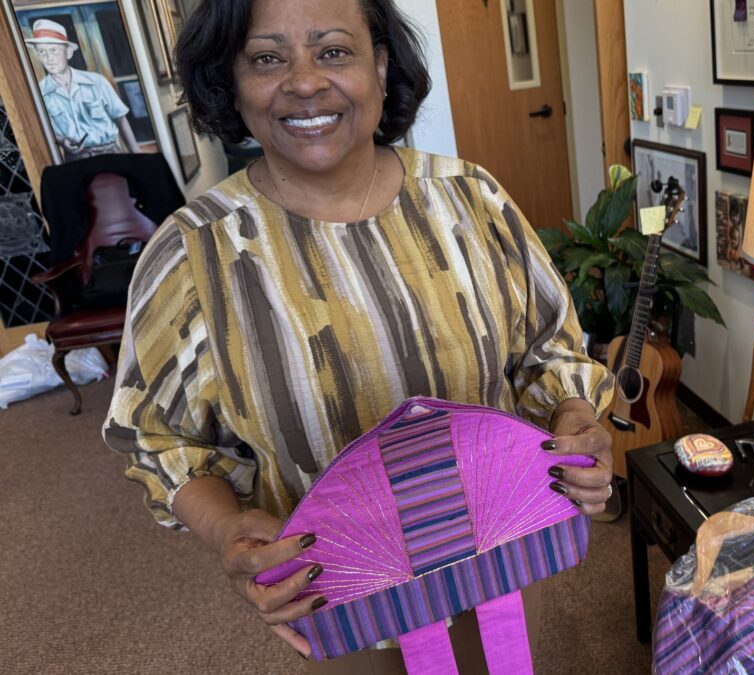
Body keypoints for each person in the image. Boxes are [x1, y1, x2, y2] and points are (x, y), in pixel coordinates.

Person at [101, 0, 615, 670]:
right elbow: (157, 436)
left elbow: (550, 352)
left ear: (379, 62)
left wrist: (576, 417)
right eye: (266, 58)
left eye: (333, 50)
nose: (305, 81)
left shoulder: (472, 201)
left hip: (506, 571)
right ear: (231, 79)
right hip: (345, 606)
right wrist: (226, 526)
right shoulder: (191, 255)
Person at [24, 19, 142, 161]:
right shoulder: (39, 93)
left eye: (53, 50)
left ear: (68, 53)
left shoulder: (96, 82)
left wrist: (135, 152)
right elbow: (42, 129)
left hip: (110, 154)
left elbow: (120, 119)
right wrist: (62, 141)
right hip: (75, 161)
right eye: (42, 52)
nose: (49, 58)